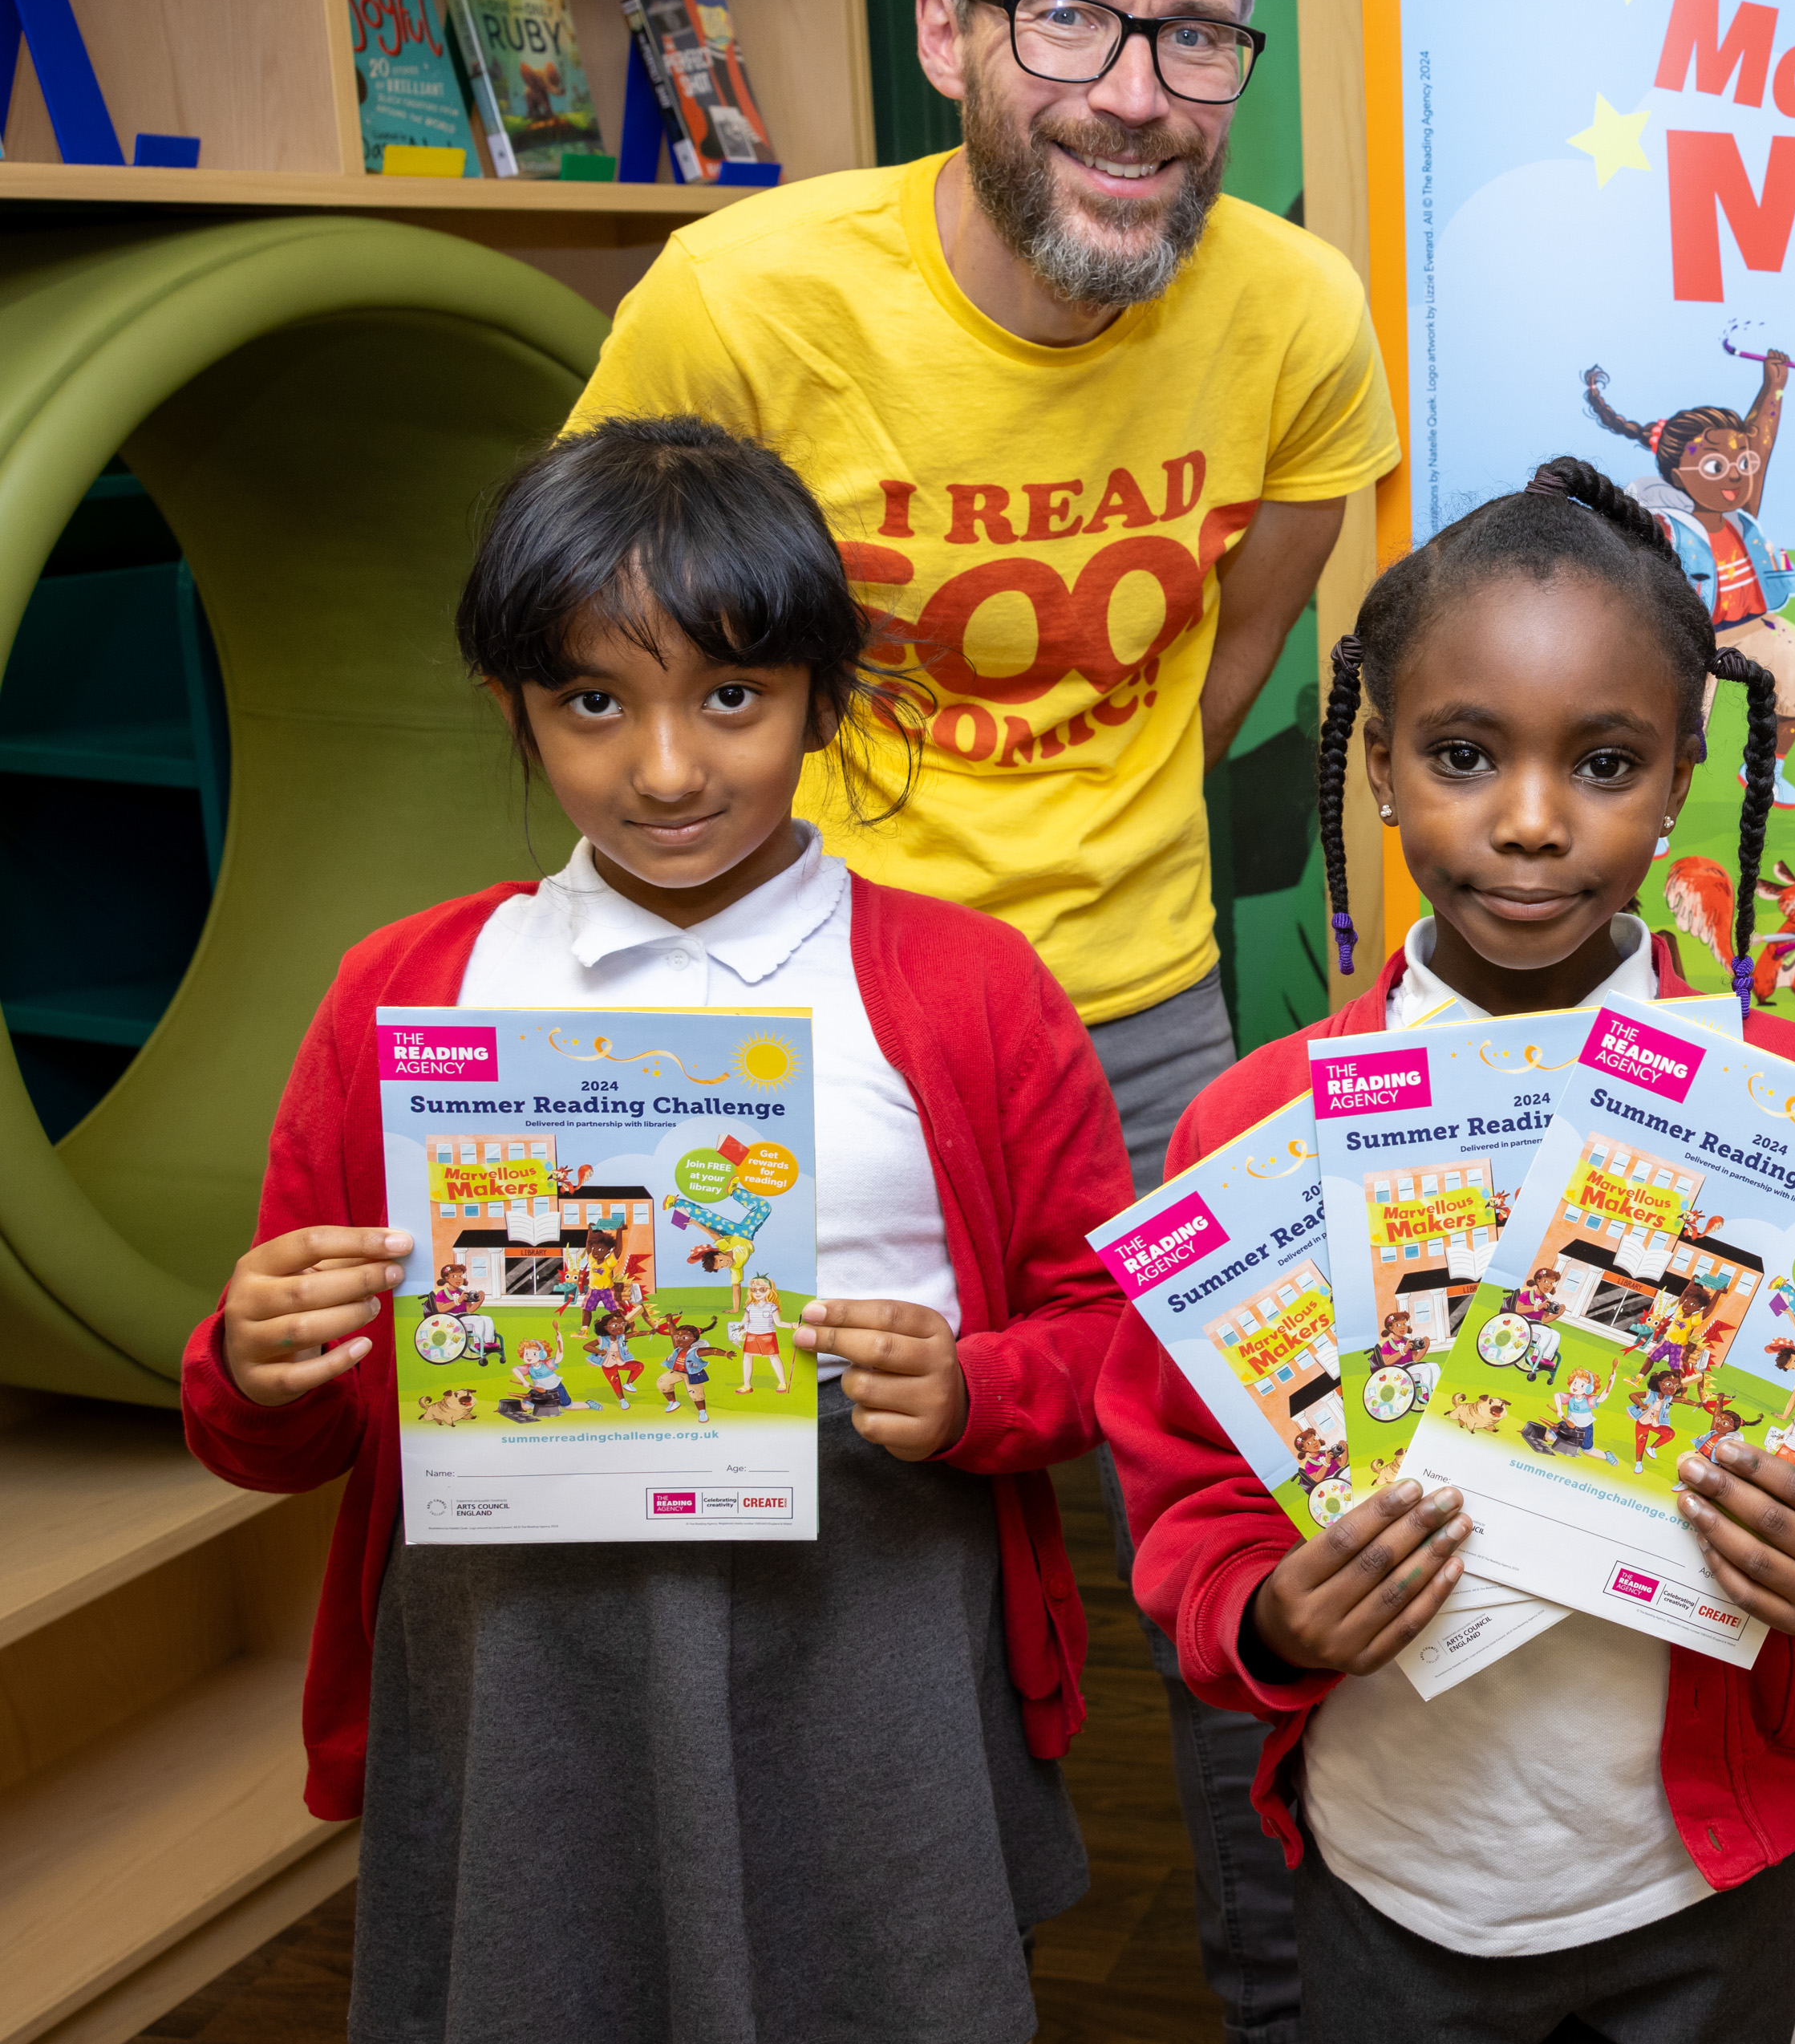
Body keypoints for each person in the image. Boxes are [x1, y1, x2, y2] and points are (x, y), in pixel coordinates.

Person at [564, 0, 1400, 2040]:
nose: (1136, 91)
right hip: (792, 1033)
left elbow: (1237, 650)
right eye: (1067, 17)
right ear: (945, 29)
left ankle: (1289, 2008)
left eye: (1194, 32)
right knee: (799, 1575)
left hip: (1139, 1043)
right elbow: (607, 657)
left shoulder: (1297, 316)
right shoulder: (738, 302)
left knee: (1250, 1555)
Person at [176, 418, 1133, 2038]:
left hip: (869, 1617)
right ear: (516, 708)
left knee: (888, 1987)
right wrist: (252, 1362)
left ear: (824, 691)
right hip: (521, 1660)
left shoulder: (967, 990)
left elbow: (1111, 1335)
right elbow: (294, 1416)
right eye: (595, 702)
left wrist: (978, 1391)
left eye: (733, 697)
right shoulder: (409, 989)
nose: (669, 767)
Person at [1098, 457, 1795, 2042]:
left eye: (1608, 760)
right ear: (1376, 762)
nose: (1532, 821)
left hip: (1700, 1876)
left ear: (1688, 770)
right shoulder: (1254, 1125)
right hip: (1393, 1866)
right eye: (1462, 754)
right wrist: (1271, 1612)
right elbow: (1186, 1490)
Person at [1583, 349, 1795, 801]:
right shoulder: (1669, 524)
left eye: (1741, 465)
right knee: (1685, 724)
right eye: (1716, 466)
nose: (1734, 476)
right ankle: (1658, 806)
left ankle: (1770, 770)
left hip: (1749, 628)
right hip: (1694, 639)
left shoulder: (1740, 518)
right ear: (1677, 473)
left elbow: (1762, 444)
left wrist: (1773, 388)